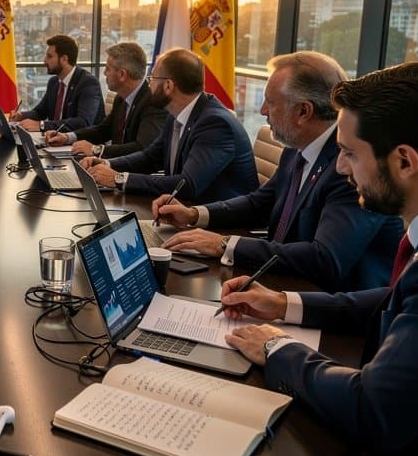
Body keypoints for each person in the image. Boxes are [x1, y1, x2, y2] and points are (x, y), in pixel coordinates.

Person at [219, 61, 418, 456]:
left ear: (405, 161)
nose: (342, 168)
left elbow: (373, 410)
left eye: (349, 153)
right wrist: (284, 303)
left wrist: (278, 349)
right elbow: (397, 298)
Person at [153, 51, 402, 291]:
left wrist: (225, 244)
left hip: (329, 309)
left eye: (270, 102)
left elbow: (325, 258)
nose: (262, 111)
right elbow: (260, 203)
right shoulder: (297, 148)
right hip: (277, 284)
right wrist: (195, 215)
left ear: (303, 111)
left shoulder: (350, 167)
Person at [81, 47, 257, 202]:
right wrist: (107, 163)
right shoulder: (177, 114)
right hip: (181, 212)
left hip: (219, 226)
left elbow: (187, 185)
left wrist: (119, 179)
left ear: (168, 86)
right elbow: (150, 158)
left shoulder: (216, 124)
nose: (149, 85)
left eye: (152, 78)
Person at [44, 41, 166, 158]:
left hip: (133, 175)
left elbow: (142, 147)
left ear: (122, 74)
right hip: (112, 167)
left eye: (107, 68)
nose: (104, 73)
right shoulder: (121, 98)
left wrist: (96, 150)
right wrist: (67, 137)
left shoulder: (152, 102)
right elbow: (103, 130)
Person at [10, 33, 105, 132]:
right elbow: (40, 112)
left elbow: (83, 122)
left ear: (64, 59)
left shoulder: (88, 83)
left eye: (49, 57)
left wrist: (42, 125)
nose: (44, 61)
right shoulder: (54, 82)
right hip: (55, 141)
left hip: (81, 143)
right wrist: (21, 115)